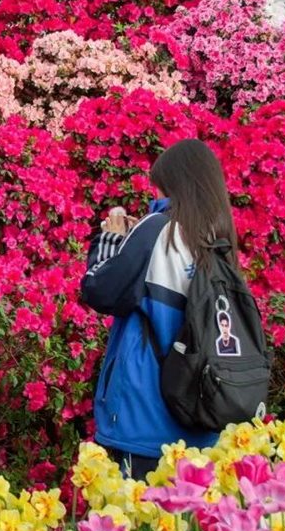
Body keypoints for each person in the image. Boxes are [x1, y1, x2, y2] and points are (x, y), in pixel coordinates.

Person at [81, 139, 234, 480]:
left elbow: (99, 290)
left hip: (145, 422)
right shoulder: (218, 237)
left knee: (138, 513)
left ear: (171, 185)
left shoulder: (155, 230)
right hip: (204, 420)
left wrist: (112, 239)